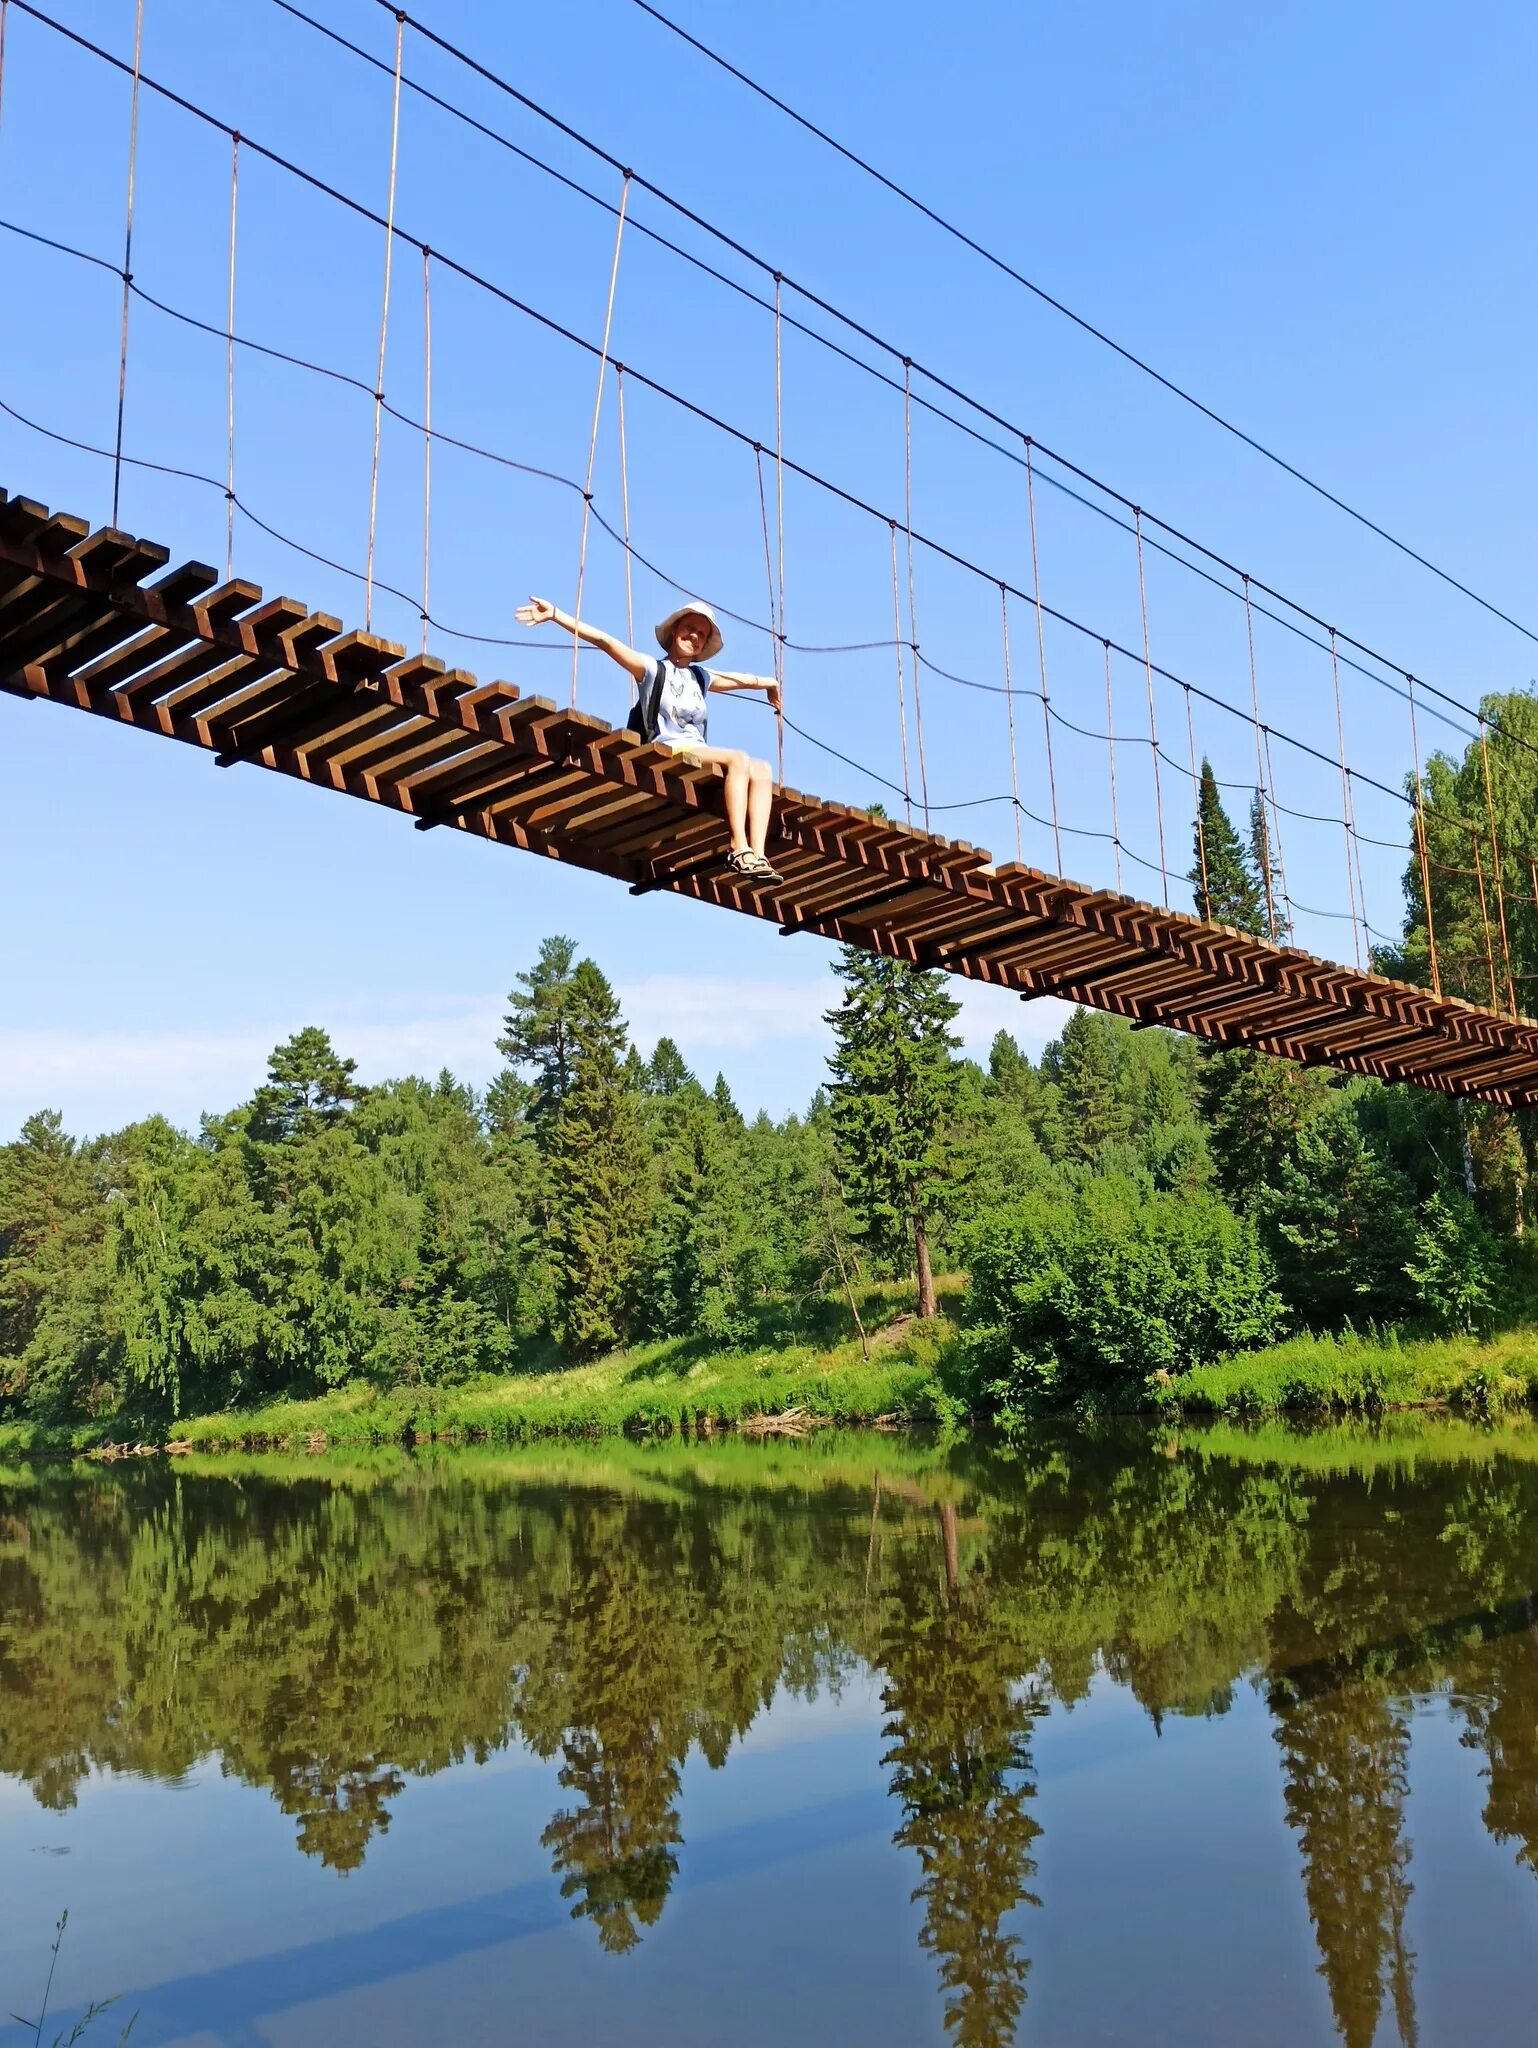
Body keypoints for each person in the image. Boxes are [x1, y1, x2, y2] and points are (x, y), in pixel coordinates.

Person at [515, 593, 784, 882]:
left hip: (697, 750)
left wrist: (770, 684)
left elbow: (740, 679)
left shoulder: (700, 677)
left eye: (701, 635)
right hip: (667, 748)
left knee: (763, 769)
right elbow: (605, 642)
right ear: (674, 630)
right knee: (739, 758)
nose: (694, 636)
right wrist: (556, 614)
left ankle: (757, 854)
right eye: (689, 628)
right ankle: (737, 847)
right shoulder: (653, 669)